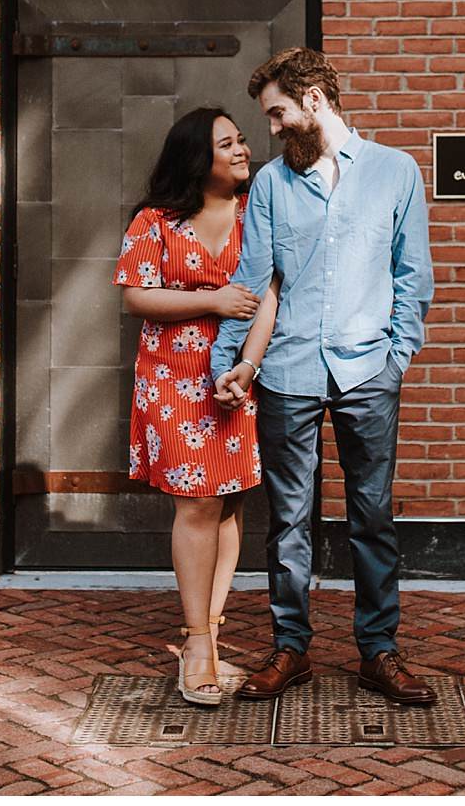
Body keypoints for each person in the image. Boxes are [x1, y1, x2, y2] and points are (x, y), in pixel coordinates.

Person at [211, 47, 438, 707]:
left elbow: (411, 276)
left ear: (314, 102)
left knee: (372, 514)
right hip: (287, 372)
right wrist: (232, 363)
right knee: (288, 520)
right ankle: (291, 647)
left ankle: (379, 650)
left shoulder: (396, 172)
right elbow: (253, 280)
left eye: (279, 113)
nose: (273, 128)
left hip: (370, 370)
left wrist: (397, 360)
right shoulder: (274, 189)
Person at [115, 106, 280, 706]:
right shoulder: (156, 221)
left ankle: (205, 635)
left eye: (241, 140)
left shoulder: (256, 213)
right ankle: (200, 645)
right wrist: (211, 301)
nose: (242, 151)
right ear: (196, 158)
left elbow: (269, 297)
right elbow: (136, 297)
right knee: (199, 502)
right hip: (172, 380)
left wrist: (248, 366)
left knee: (228, 501)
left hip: (237, 377)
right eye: (227, 144)